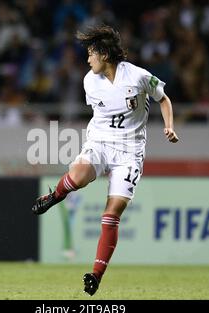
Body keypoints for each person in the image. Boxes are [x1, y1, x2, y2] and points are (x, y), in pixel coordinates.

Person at [32, 25, 179, 296]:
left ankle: (96, 275)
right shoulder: (90, 81)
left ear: (104, 54)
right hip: (100, 144)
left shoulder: (138, 76)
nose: (88, 60)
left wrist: (168, 126)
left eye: (91, 54)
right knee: (76, 177)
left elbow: (164, 99)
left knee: (111, 215)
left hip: (130, 153)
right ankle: (56, 196)